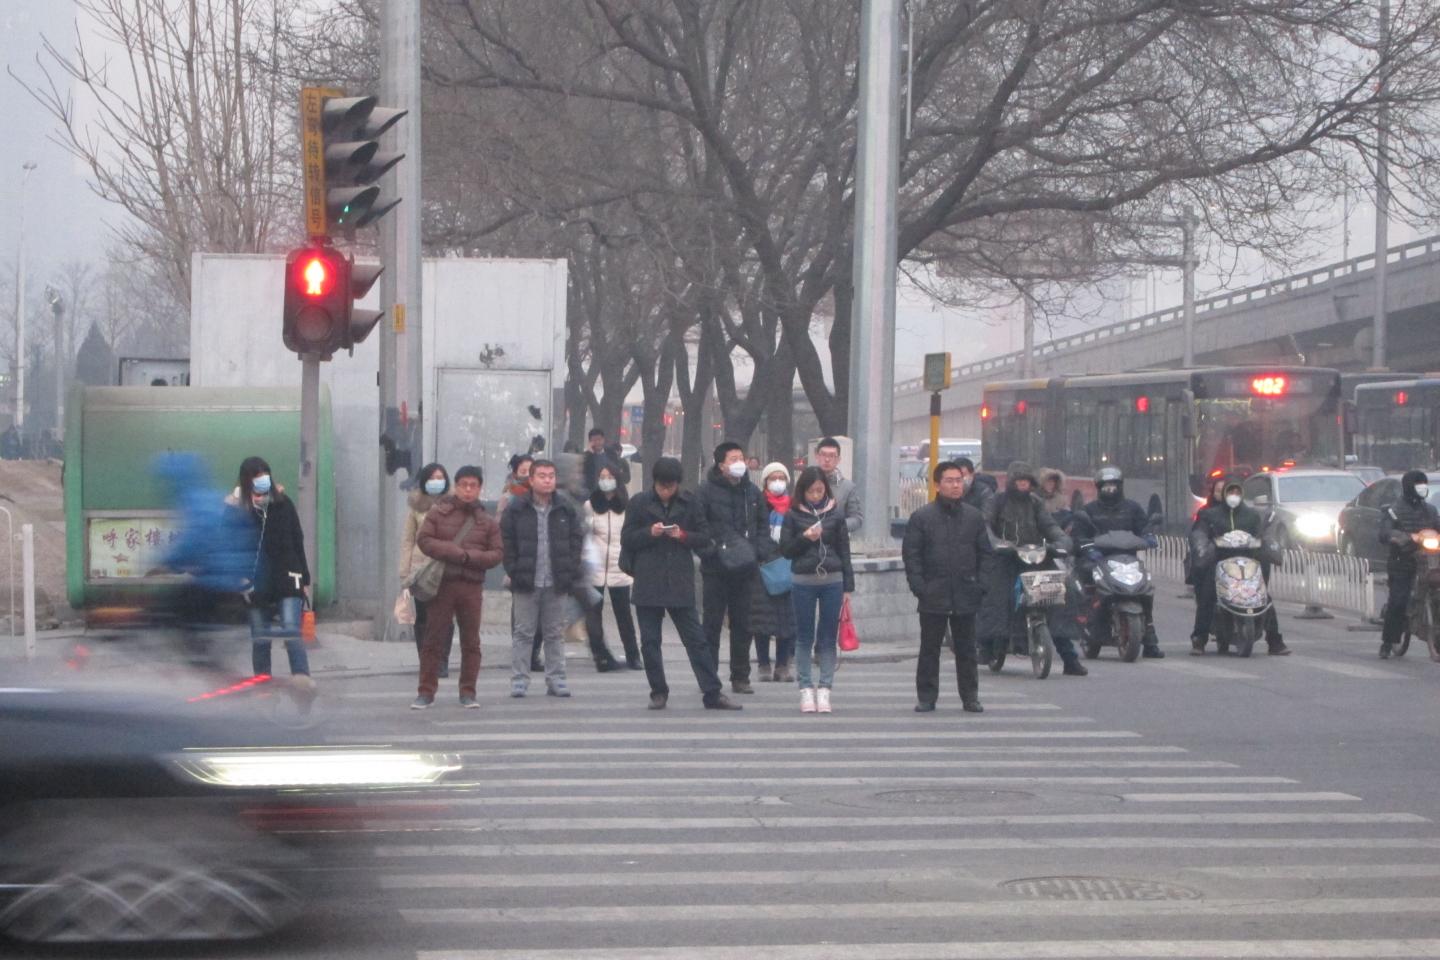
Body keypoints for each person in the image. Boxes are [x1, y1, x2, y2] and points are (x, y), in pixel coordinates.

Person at [621, 456, 741, 710]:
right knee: (650, 641)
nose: (667, 491)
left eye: (671, 486)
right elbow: (627, 539)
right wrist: (648, 533)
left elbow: (705, 537)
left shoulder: (690, 503)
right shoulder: (639, 503)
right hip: (649, 579)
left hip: (679, 579)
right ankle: (658, 691)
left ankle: (712, 691)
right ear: (655, 483)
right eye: (663, 486)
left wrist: (683, 535)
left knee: (696, 639)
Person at [902, 461, 993, 713]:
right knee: (930, 649)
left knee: (966, 649)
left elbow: (986, 554)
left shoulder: (974, 517)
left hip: (966, 592)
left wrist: (981, 585)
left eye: (959, 480)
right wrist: (920, 587)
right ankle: (927, 697)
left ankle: (970, 697)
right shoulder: (922, 518)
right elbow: (912, 556)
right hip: (934, 593)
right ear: (937, 484)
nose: (956, 485)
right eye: (950, 480)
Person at [412, 465, 504, 709]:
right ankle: (425, 692)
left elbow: (496, 554)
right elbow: (424, 540)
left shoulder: (486, 521)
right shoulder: (438, 513)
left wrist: (468, 558)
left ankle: (468, 692)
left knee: (471, 642)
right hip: (443, 585)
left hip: (471, 586)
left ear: (480, 488)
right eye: (463, 485)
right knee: (433, 640)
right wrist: (453, 552)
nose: (468, 490)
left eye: (473, 486)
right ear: (456, 486)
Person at [984, 461, 1086, 676]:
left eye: (1026, 481)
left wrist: (1061, 542)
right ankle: (987, 646)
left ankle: (1069, 658)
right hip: (1007, 561)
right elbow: (986, 527)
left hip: (1037, 558)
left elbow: (1050, 527)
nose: (1022, 484)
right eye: (1018, 481)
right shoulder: (996, 502)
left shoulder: (1036, 503)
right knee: (995, 596)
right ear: (1011, 482)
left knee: (1060, 596)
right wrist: (998, 544)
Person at [501, 459, 586, 698]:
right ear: (531, 480)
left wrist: (569, 569)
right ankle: (519, 680)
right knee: (523, 633)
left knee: (554, 633)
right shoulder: (516, 508)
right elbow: (506, 541)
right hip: (526, 580)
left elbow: (575, 539)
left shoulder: (565, 508)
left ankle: (556, 679)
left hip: (557, 581)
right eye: (542, 475)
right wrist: (514, 569)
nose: (547, 479)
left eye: (551, 475)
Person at [697, 441, 772, 694]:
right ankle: (709, 678)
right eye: (733, 459)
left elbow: (763, 525)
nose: (739, 462)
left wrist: (758, 551)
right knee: (711, 624)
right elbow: (697, 526)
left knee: (743, 623)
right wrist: (710, 551)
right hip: (715, 569)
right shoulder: (705, 492)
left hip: (746, 568)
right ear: (721, 465)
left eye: (741, 457)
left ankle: (740, 676)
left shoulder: (751, 492)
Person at [781, 466, 855, 713]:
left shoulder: (835, 514)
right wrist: (805, 538)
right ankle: (805, 689)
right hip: (803, 580)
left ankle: (825, 689)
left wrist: (848, 587)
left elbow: (844, 550)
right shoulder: (792, 515)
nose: (816, 495)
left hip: (832, 580)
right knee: (804, 636)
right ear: (802, 491)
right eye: (811, 491)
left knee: (827, 637)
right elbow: (786, 550)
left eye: (820, 490)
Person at [231, 457, 312, 682]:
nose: (261, 482)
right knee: (260, 638)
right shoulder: (240, 510)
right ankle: (263, 687)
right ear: (246, 482)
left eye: (264, 476)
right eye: (256, 478)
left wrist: (305, 578)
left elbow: (297, 539)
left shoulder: (283, 504)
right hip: (256, 584)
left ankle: (302, 682)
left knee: (291, 632)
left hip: (288, 577)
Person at [1075, 466, 1164, 658]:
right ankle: (1090, 624)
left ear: (1120, 486)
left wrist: (1149, 536)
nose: (1110, 489)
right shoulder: (1089, 511)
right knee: (1091, 583)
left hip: (1128, 559)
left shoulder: (1132, 508)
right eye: (1106, 486)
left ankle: (1150, 641)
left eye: (1113, 485)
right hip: (1100, 559)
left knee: (1145, 591)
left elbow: (1143, 527)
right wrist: (1088, 548)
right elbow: (1079, 535)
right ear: (1099, 488)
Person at [1188, 475, 1269, 655]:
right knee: (1208, 595)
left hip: (1247, 563)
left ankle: (1275, 640)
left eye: (1236, 492)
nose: (1233, 495)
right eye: (1229, 492)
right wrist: (1204, 546)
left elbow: (1260, 535)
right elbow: (1199, 533)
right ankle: (1199, 639)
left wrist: (1266, 545)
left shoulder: (1251, 515)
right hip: (1218, 562)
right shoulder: (1209, 514)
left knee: (1264, 597)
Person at [583, 460, 641, 671]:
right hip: (595, 568)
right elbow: (583, 535)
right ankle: (601, 656)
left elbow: (631, 535)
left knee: (624, 615)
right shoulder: (590, 505)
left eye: (609, 477)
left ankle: (633, 655)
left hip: (620, 567)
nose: (605, 481)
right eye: (602, 477)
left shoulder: (627, 506)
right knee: (593, 616)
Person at [1379, 470, 1440, 660]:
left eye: (1424, 483)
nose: (1422, 487)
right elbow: (1384, 534)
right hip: (1402, 560)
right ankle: (1388, 642)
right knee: (1398, 601)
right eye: (1418, 483)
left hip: (1429, 560)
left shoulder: (1430, 510)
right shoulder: (1393, 510)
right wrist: (1402, 538)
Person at [400, 462, 453, 677]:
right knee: (422, 617)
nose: (436, 481)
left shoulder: (453, 504)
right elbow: (407, 540)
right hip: (420, 568)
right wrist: (404, 572)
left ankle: (442, 660)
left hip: (446, 567)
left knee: (445, 617)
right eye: (432, 478)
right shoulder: (416, 506)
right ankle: (426, 660)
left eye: (440, 477)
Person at [499, 453, 544, 673]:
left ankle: (534, 653)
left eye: (530, 471)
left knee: (544, 617)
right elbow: (502, 529)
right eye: (523, 471)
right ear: (516, 472)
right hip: (520, 563)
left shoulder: (545, 497)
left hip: (542, 564)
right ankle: (522, 655)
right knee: (521, 613)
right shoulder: (510, 495)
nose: (527, 476)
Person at [753, 462, 797, 683]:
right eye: (773, 478)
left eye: (781, 477)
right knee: (762, 619)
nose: (778, 482)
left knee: (787, 620)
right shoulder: (758, 504)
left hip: (788, 565)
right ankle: (763, 664)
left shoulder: (793, 507)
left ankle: (782, 665)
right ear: (766, 482)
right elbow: (755, 533)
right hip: (764, 566)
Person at [814, 437, 862, 534]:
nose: (827, 459)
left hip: (836, 543)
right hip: (809, 542)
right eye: (823, 455)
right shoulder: (806, 483)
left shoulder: (848, 487)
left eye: (832, 456)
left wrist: (835, 526)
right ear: (817, 457)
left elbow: (857, 519)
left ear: (838, 460)